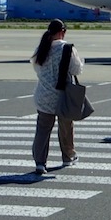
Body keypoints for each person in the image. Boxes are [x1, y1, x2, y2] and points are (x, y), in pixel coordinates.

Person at [30, 19, 84, 175]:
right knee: (66, 127)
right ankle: (68, 156)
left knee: (43, 130)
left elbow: (37, 68)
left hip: (44, 95)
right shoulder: (67, 48)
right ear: (62, 32)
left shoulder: (41, 48)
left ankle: (40, 163)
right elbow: (76, 70)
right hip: (63, 95)